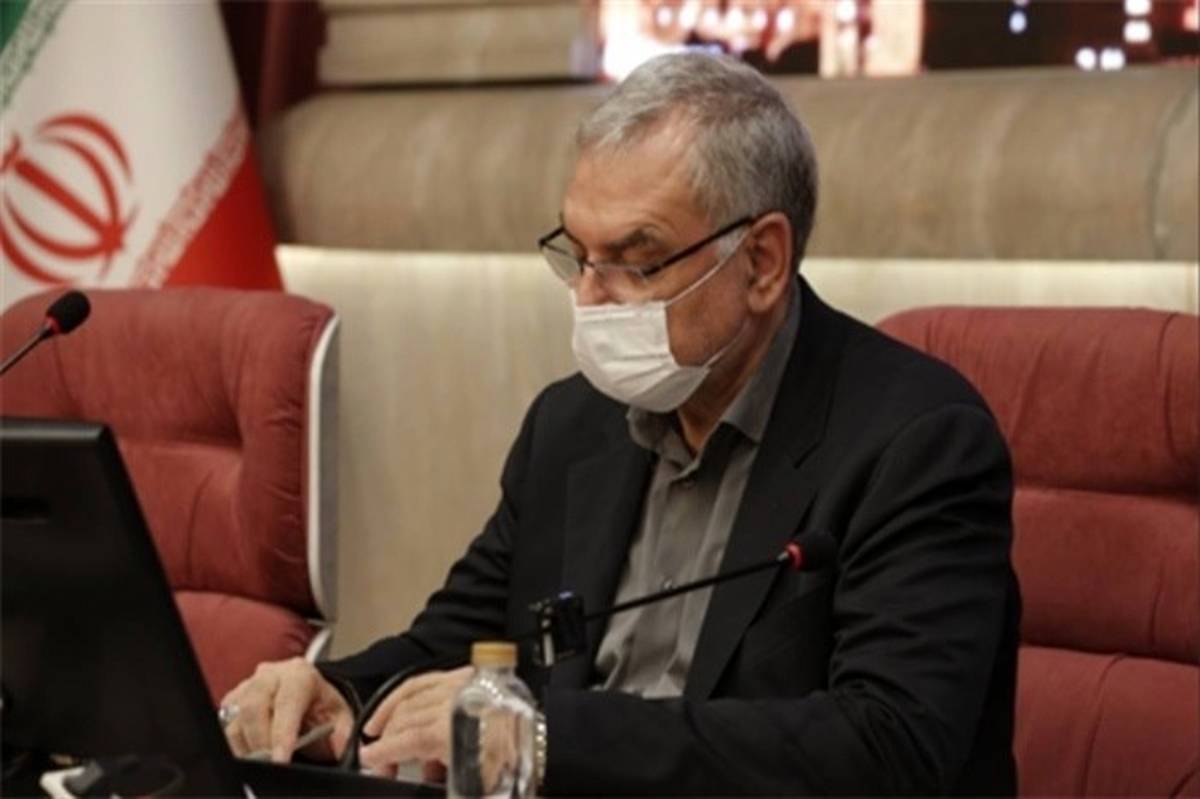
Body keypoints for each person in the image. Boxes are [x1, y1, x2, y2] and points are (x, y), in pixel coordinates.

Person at [221, 52, 1020, 794]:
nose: (590, 297)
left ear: (762, 262)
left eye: (637, 261)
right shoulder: (571, 425)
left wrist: (549, 738)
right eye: (578, 254)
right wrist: (341, 692)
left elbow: (888, 744)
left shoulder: (916, 441)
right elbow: (461, 642)